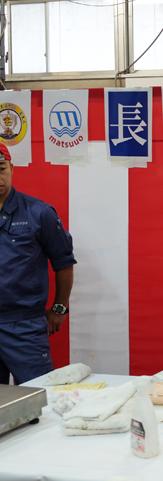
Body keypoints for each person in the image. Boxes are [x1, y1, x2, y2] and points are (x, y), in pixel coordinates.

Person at [0, 143, 76, 385]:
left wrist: (59, 308)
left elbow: (63, 263)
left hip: (24, 326)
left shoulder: (39, 213)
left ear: (11, 168)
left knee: (41, 400)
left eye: (1, 169)